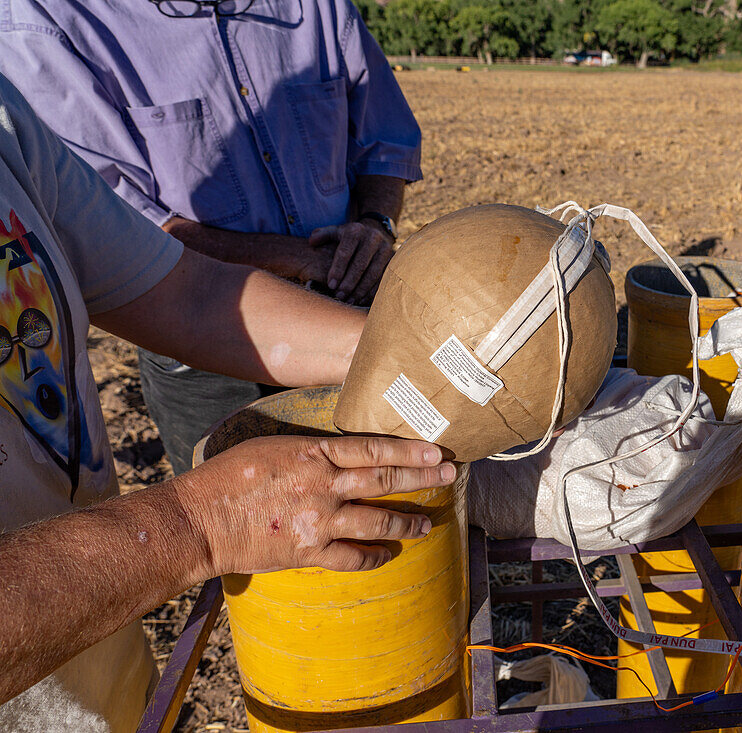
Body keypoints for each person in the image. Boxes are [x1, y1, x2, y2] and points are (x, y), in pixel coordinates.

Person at [0, 74, 454, 732]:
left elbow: (187, 296)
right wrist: (196, 524)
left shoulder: (8, 120)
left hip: (102, 683)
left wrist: (418, 357)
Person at [0, 0, 423, 475]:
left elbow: (386, 141)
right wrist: (301, 259)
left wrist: (374, 224)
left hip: (351, 298)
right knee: (249, 527)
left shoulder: (317, 6)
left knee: (396, 503)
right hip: (202, 344)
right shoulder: (45, 19)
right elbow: (125, 231)